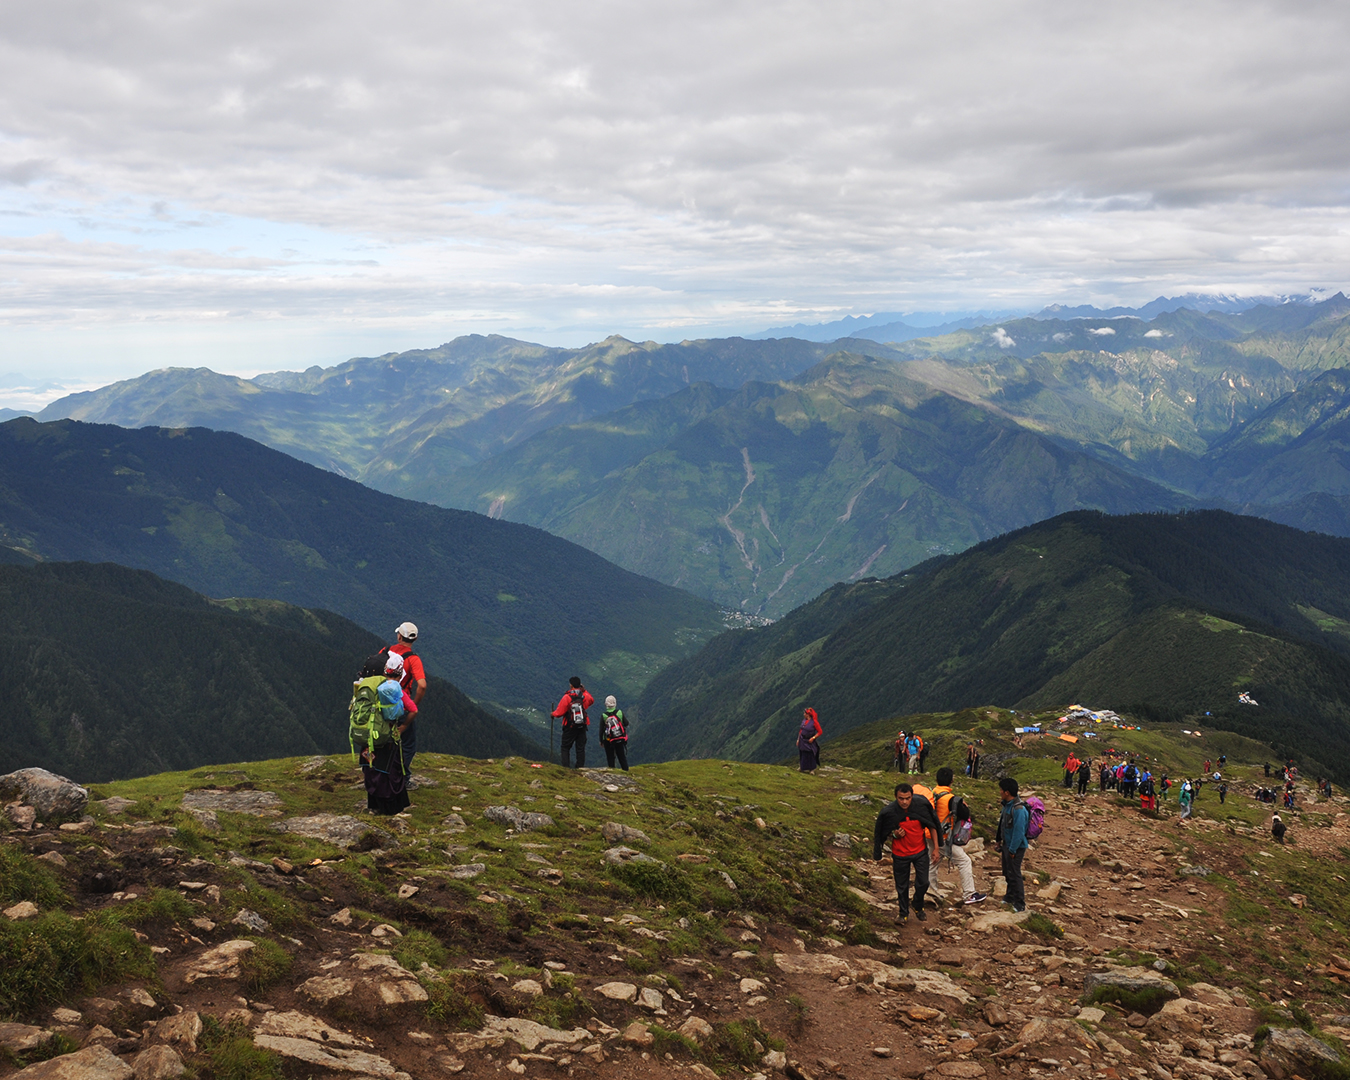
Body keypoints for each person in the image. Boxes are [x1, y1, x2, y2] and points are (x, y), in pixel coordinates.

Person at [873, 782, 943, 924]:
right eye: (901, 798)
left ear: (912, 796)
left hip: (920, 852)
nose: (904, 802)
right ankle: (903, 913)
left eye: (908, 798)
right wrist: (895, 835)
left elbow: (932, 825)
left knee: (923, 882)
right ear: (895, 797)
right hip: (900, 854)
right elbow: (883, 832)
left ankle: (917, 904)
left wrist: (936, 848)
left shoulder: (921, 807)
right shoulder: (890, 812)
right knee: (902, 885)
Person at [361, 652, 419, 815]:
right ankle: (390, 807)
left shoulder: (371, 687)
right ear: (400, 674)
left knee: (371, 767)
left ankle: (373, 803)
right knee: (390, 770)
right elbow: (413, 709)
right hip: (387, 738)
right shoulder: (396, 691)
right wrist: (404, 726)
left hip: (369, 738)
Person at [933, 768, 987, 906]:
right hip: (944, 837)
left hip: (930, 834)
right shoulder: (952, 799)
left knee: (932, 863)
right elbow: (965, 814)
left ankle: (930, 891)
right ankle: (969, 894)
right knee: (964, 861)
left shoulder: (932, 794)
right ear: (951, 780)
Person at [995, 778, 1029, 913]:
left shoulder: (1019, 809)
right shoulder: (1007, 805)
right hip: (1006, 845)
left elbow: (1019, 831)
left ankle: (1020, 902)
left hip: (1016, 847)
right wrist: (998, 840)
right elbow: (1002, 824)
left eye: (1001, 790)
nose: (1000, 792)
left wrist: (1012, 849)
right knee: (1007, 871)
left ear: (1007, 792)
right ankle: (1009, 896)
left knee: (1015, 873)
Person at [552, 676, 594, 768]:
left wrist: (552, 714)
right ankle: (579, 767)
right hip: (582, 726)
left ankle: (566, 768)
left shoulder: (566, 697)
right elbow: (591, 700)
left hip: (569, 726)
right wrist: (584, 690)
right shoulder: (584, 697)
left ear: (571, 685)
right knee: (580, 748)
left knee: (565, 747)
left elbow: (559, 713)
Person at [389, 622, 427, 704]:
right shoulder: (414, 659)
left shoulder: (386, 651)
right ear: (415, 639)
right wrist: (413, 704)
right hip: (399, 702)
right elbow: (422, 685)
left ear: (399, 637)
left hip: (380, 696)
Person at [600, 695, 629, 771]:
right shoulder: (620, 712)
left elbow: (601, 730)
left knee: (610, 757)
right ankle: (626, 771)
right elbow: (626, 723)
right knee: (621, 757)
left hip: (608, 739)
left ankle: (612, 771)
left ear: (606, 704)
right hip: (619, 738)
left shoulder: (604, 715)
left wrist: (601, 741)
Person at [797, 708, 823, 772]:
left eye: (804, 713)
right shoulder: (804, 721)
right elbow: (801, 730)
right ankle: (802, 767)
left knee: (810, 754)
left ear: (808, 715)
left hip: (809, 740)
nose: (803, 714)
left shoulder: (814, 722)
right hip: (803, 739)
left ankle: (812, 769)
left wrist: (813, 738)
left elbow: (820, 732)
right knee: (803, 753)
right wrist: (798, 739)